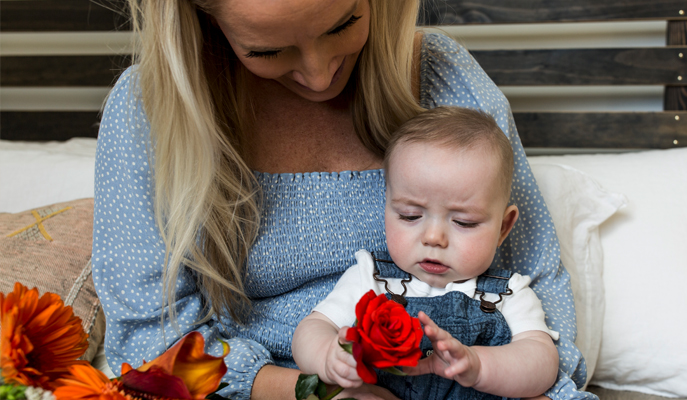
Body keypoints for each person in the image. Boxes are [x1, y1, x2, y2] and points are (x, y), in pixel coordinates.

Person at [91, 0, 596, 399]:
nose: (318, 75)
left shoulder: (444, 78)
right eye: (267, 50)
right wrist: (321, 392)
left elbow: (539, 289)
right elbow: (149, 345)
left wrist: (503, 380)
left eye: (342, 24)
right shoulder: (151, 111)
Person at [293, 106, 560, 400]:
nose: (433, 238)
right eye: (409, 216)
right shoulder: (369, 278)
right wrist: (328, 357)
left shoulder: (507, 294)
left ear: (503, 228)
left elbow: (542, 362)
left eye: (463, 222)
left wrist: (480, 366)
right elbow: (312, 328)